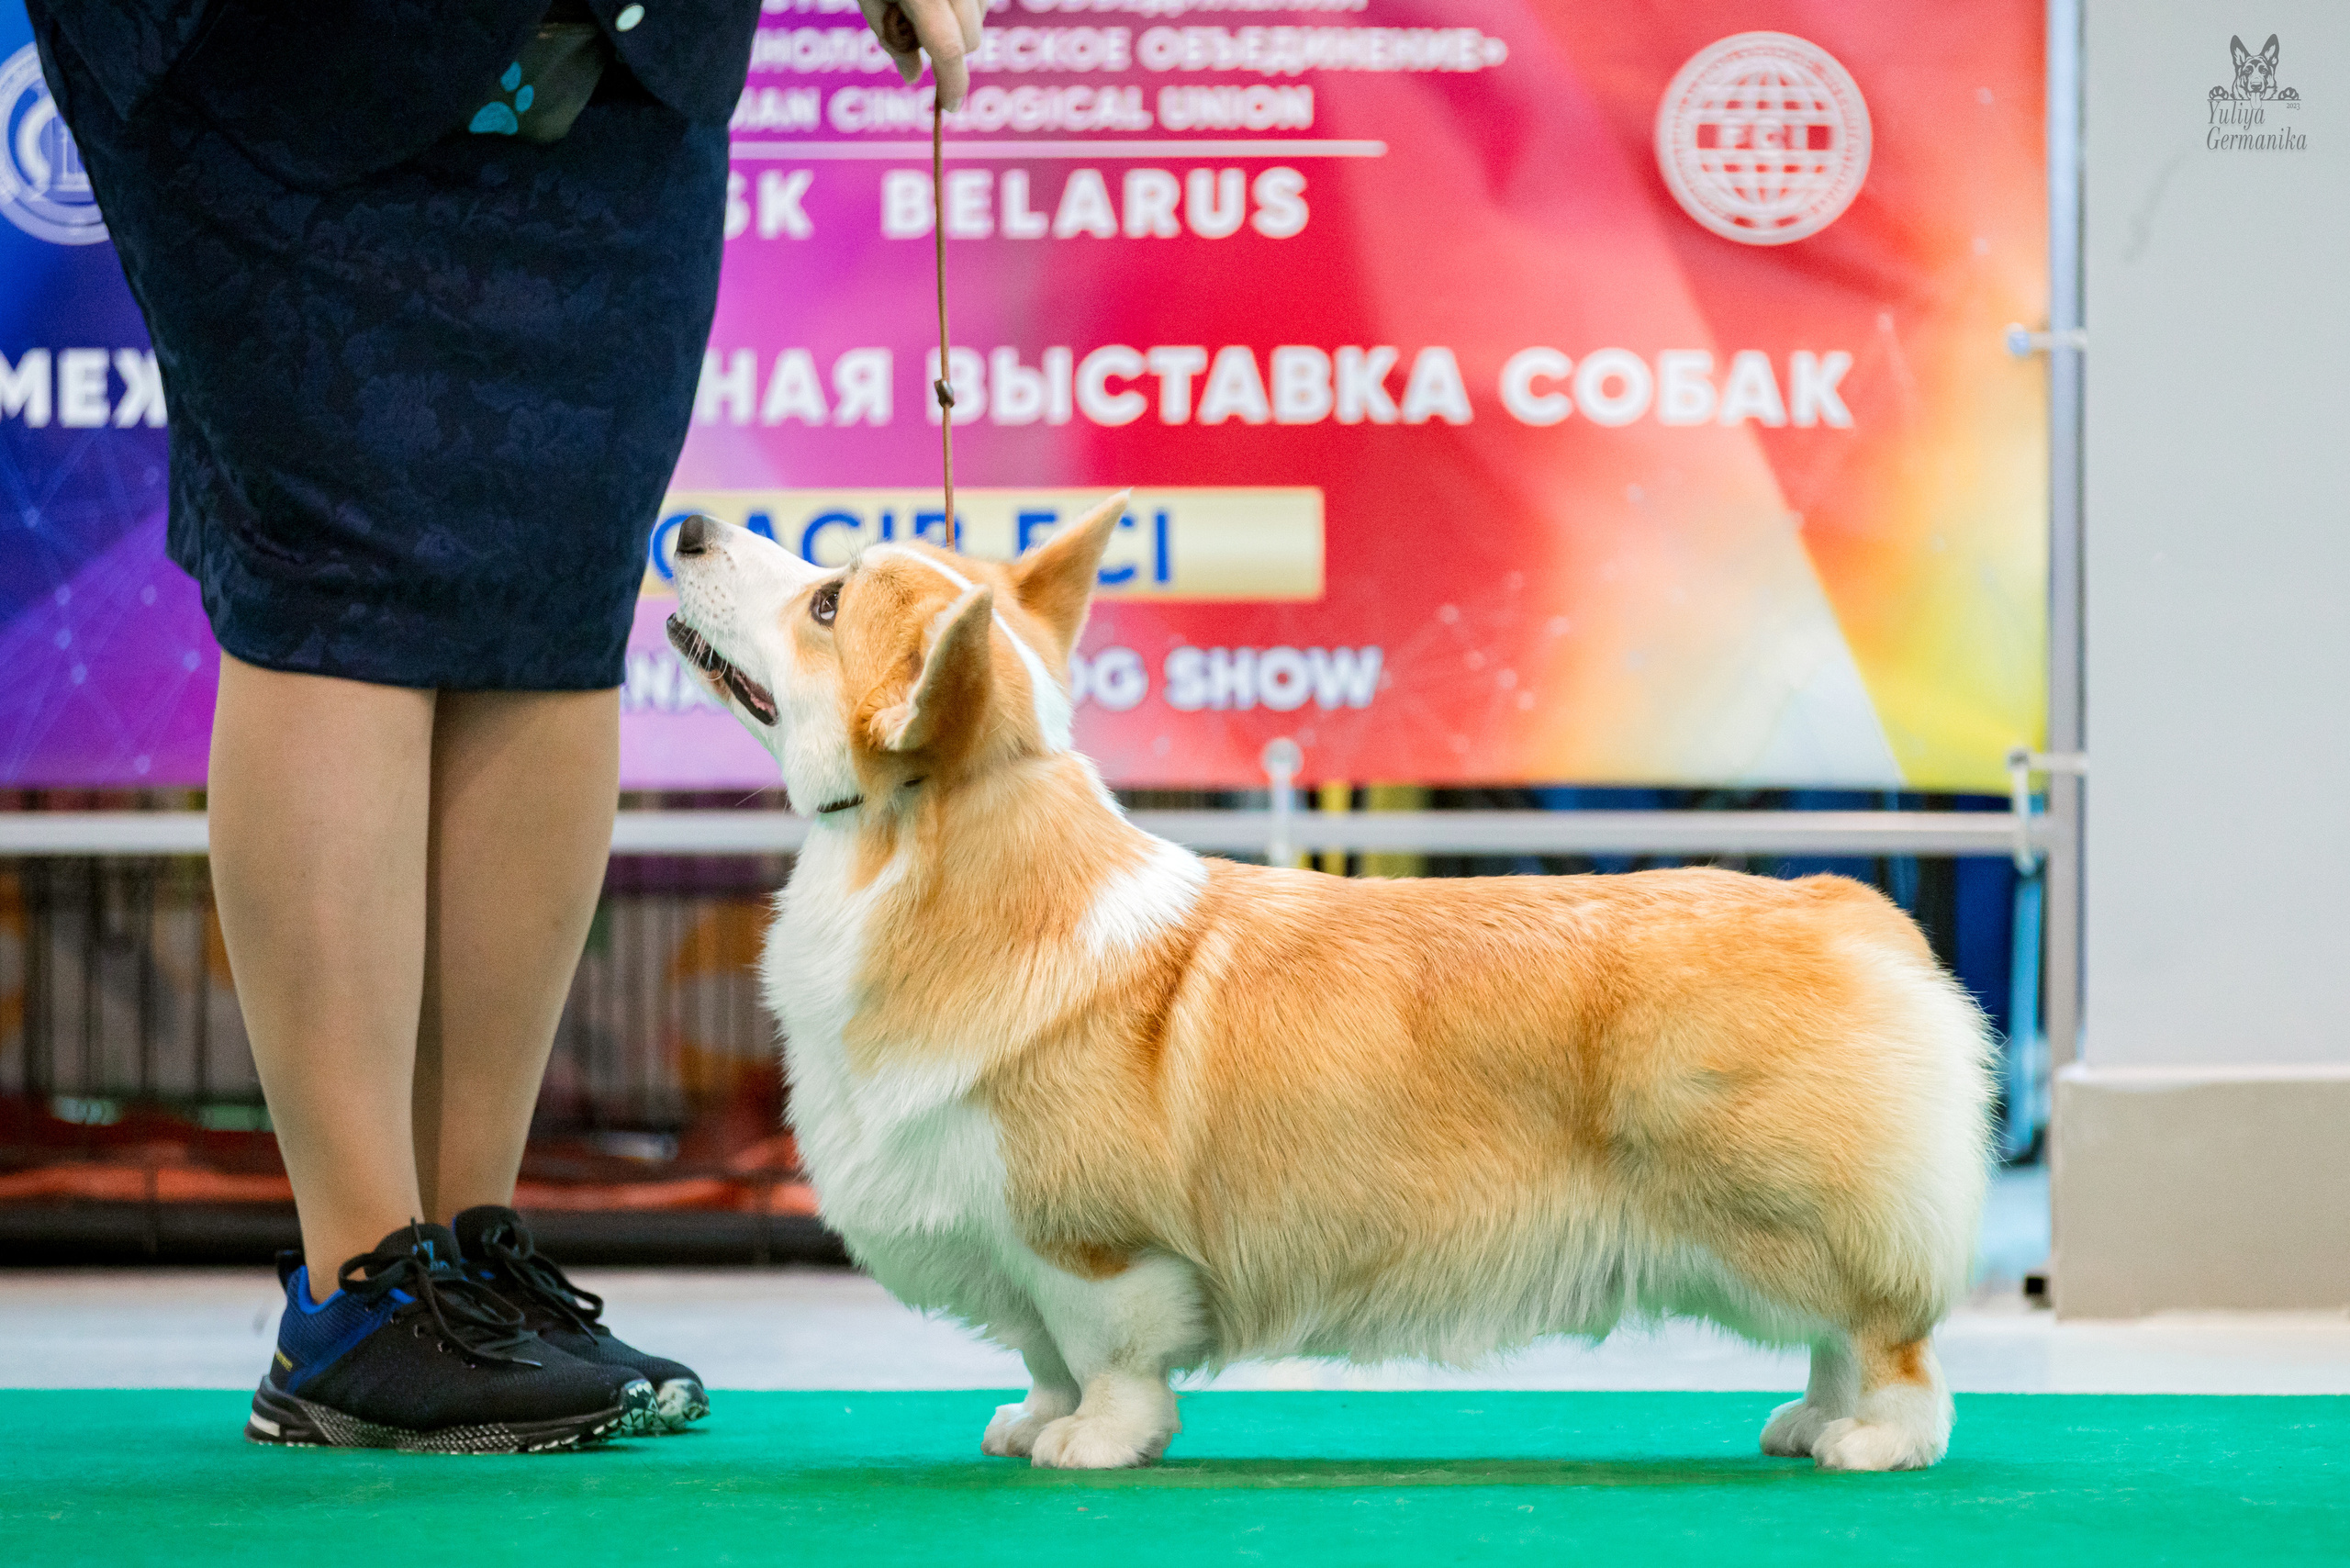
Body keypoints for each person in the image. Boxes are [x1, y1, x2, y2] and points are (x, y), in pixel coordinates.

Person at [27, 0, 982, 1451]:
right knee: (335, 569)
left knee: (561, 576)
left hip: (621, 57)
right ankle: (357, 1293)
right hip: (282, 70)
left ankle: (460, 1267)